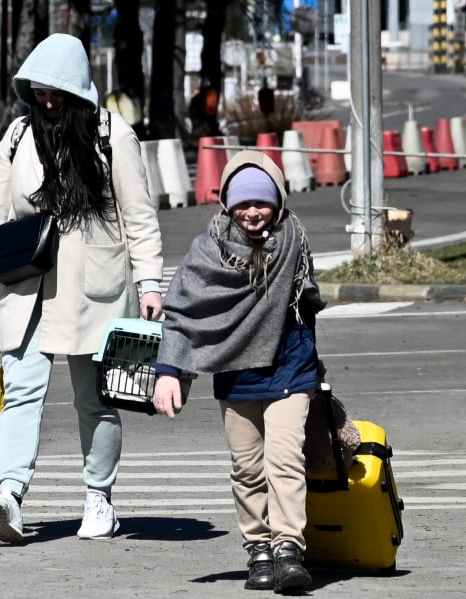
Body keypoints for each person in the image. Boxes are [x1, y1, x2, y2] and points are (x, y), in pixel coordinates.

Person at [0, 33, 163, 544]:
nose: (46, 101)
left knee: (98, 400)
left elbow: (141, 218)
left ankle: (98, 497)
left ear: (78, 90)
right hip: (24, 286)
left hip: (95, 289)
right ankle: (9, 494)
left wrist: (150, 283)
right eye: (39, 92)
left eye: (56, 93)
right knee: (20, 391)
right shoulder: (18, 136)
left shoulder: (113, 135)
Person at [151, 150, 326, 594]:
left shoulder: (293, 239)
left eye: (262, 202)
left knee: (284, 461)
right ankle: (259, 550)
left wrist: (316, 366)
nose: (252, 212)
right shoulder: (207, 251)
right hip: (235, 372)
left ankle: (289, 549)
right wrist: (171, 371)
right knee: (247, 468)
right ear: (227, 202)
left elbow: (308, 302)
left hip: (290, 367)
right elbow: (183, 312)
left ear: (279, 201)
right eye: (243, 203)